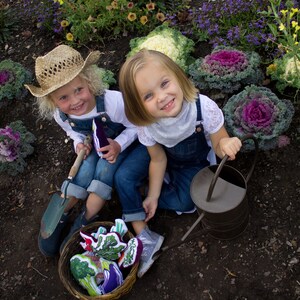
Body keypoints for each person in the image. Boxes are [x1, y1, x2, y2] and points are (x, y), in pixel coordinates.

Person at [115, 49, 242, 278]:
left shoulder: (202, 108)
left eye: (164, 83)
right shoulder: (148, 125)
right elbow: (158, 158)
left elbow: (218, 142)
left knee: (186, 202)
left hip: (194, 162)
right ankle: (145, 199)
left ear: (178, 76)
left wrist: (226, 143)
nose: (162, 97)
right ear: (138, 106)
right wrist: (153, 195)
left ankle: (140, 196)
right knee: (125, 176)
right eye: (148, 96)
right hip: (167, 159)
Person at [25, 45, 138, 257]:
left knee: (103, 172)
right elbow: (73, 132)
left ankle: (85, 219)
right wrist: (78, 144)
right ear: (52, 101)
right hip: (92, 146)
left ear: (89, 81)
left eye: (79, 90)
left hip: (116, 147)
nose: (75, 101)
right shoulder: (62, 115)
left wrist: (118, 145)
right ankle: (62, 212)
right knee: (83, 173)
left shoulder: (113, 102)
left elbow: (137, 126)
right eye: (63, 98)